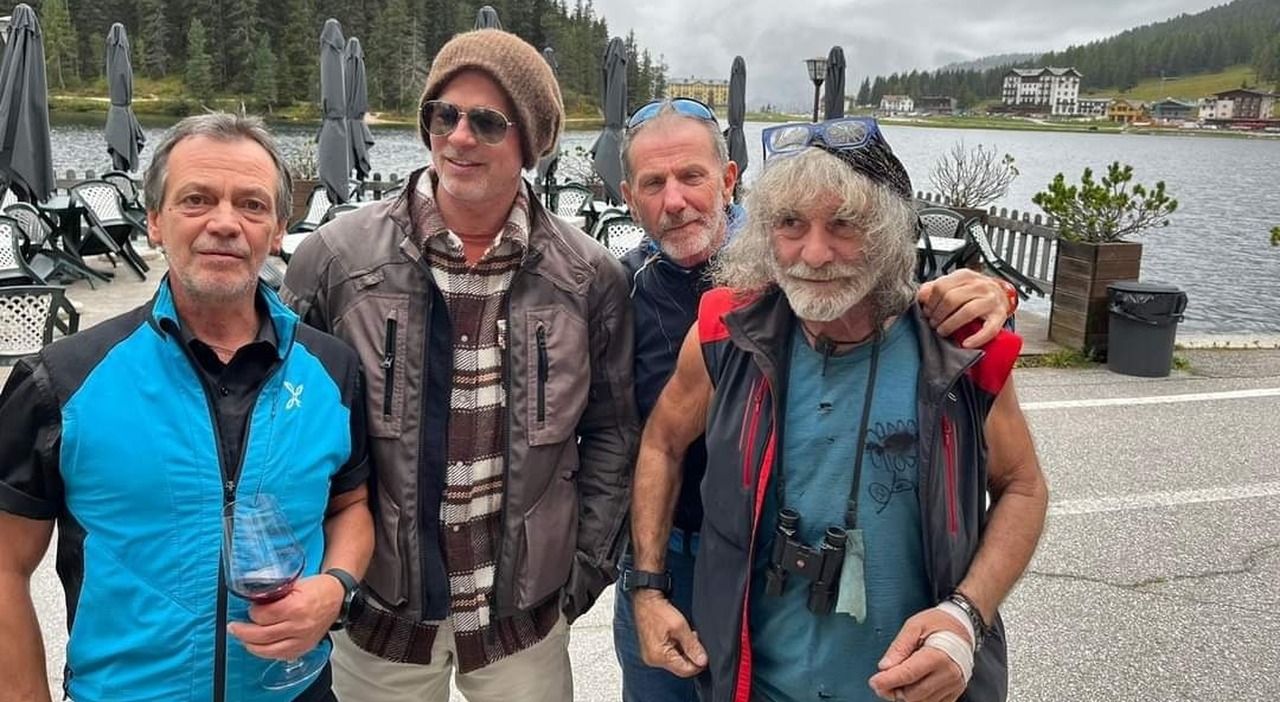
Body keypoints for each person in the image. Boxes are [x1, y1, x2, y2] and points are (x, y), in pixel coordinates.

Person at [612, 101, 1022, 702]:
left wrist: (967, 616)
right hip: (715, 600)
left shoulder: (958, 345)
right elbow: (659, 440)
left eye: (845, 225)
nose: (814, 253)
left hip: (902, 677)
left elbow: (1023, 486)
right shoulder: (673, 308)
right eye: (793, 225)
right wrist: (646, 587)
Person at [280, 29, 637, 702]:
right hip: (377, 619)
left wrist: (583, 572)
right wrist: (323, 577)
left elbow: (615, 432)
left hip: (523, 627)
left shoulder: (591, 278)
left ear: (530, 144)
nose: (460, 137)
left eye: (487, 122)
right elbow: (284, 428)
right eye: (445, 114)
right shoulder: (333, 260)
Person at [0, 112, 374, 702]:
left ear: (277, 230)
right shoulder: (61, 381)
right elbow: (4, 567)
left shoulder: (332, 370)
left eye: (251, 206)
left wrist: (336, 585)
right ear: (154, 221)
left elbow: (351, 504)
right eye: (197, 200)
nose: (225, 223)